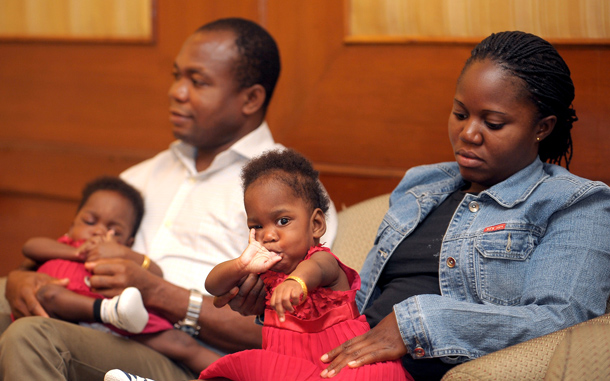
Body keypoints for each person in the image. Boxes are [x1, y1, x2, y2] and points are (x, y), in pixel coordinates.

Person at [219, 31, 610, 380]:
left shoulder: (575, 204)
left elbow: (562, 321)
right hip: (347, 353)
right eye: (460, 113)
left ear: (542, 127)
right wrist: (282, 295)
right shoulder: (423, 184)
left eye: (492, 123)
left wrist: (418, 324)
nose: (467, 133)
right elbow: (358, 297)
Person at [0, 17, 338, 381]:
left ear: (251, 99)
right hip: (99, 329)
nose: (176, 91)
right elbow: (69, 251)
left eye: (198, 82)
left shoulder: (290, 198)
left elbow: (293, 331)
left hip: (193, 363)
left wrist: (157, 292)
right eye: (177, 76)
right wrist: (20, 280)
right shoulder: (139, 178)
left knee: (32, 338)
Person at [108, 148, 410, 381]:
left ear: (316, 224)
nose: (268, 235)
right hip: (284, 367)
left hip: (338, 361)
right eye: (256, 226)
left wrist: (296, 283)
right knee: (236, 372)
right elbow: (213, 284)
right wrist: (240, 265)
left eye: (282, 221)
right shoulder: (265, 272)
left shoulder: (322, 261)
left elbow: (315, 271)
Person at [25, 176, 219, 374]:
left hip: (125, 318)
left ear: (129, 242)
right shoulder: (65, 245)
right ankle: (108, 310)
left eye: (115, 231)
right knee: (49, 294)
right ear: (73, 224)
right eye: (90, 222)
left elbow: (156, 273)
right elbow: (30, 247)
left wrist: (126, 255)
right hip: (71, 310)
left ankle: (236, 372)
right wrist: (76, 253)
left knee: (181, 343)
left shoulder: (119, 257)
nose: (99, 231)